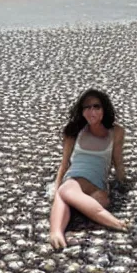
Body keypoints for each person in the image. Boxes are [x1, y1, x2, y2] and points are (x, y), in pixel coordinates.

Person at [49, 89, 129, 249]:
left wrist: (123, 183)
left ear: (104, 109)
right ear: (82, 111)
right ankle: (56, 232)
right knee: (65, 192)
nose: (91, 111)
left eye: (96, 106)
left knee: (73, 198)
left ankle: (65, 223)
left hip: (98, 185)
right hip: (74, 179)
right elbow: (64, 163)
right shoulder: (74, 131)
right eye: (87, 107)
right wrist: (56, 186)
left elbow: (117, 161)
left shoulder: (116, 132)